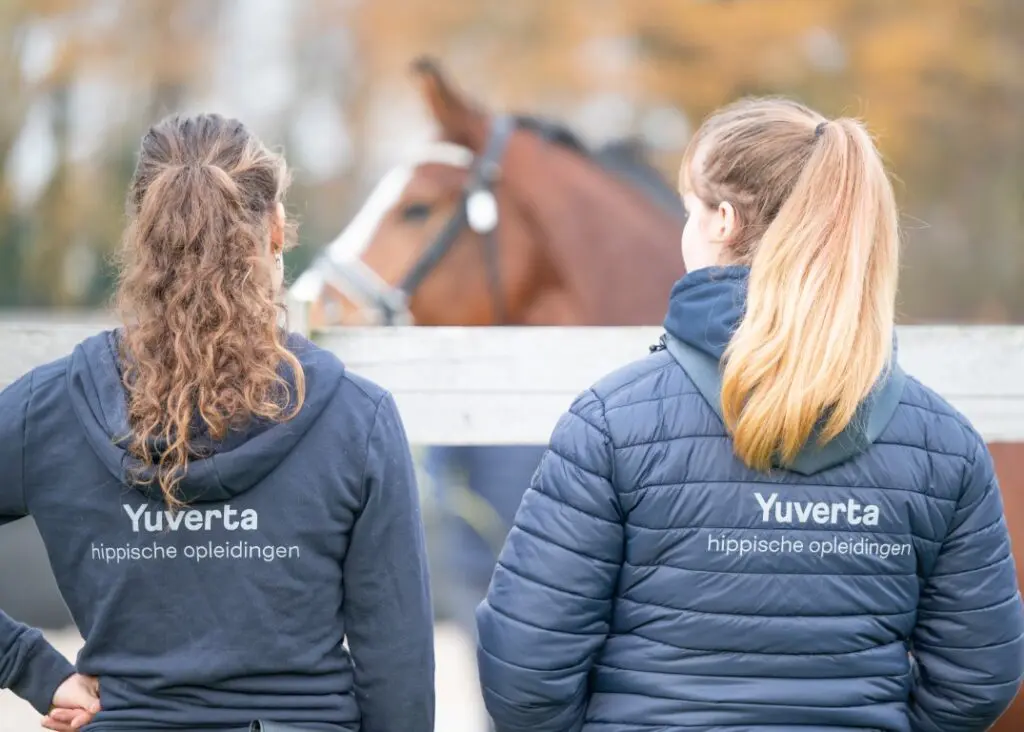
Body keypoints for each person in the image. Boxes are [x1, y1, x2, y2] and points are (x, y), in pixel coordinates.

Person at [475, 97, 1024, 731]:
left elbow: (523, 670)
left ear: (724, 222)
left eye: (689, 212)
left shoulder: (610, 423)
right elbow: (978, 677)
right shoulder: (945, 446)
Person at [0, 113, 435, 732]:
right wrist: (28, 665)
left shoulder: (51, 408)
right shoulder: (356, 419)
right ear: (277, 231)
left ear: (143, 235)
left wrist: (35, 671)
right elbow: (398, 666)